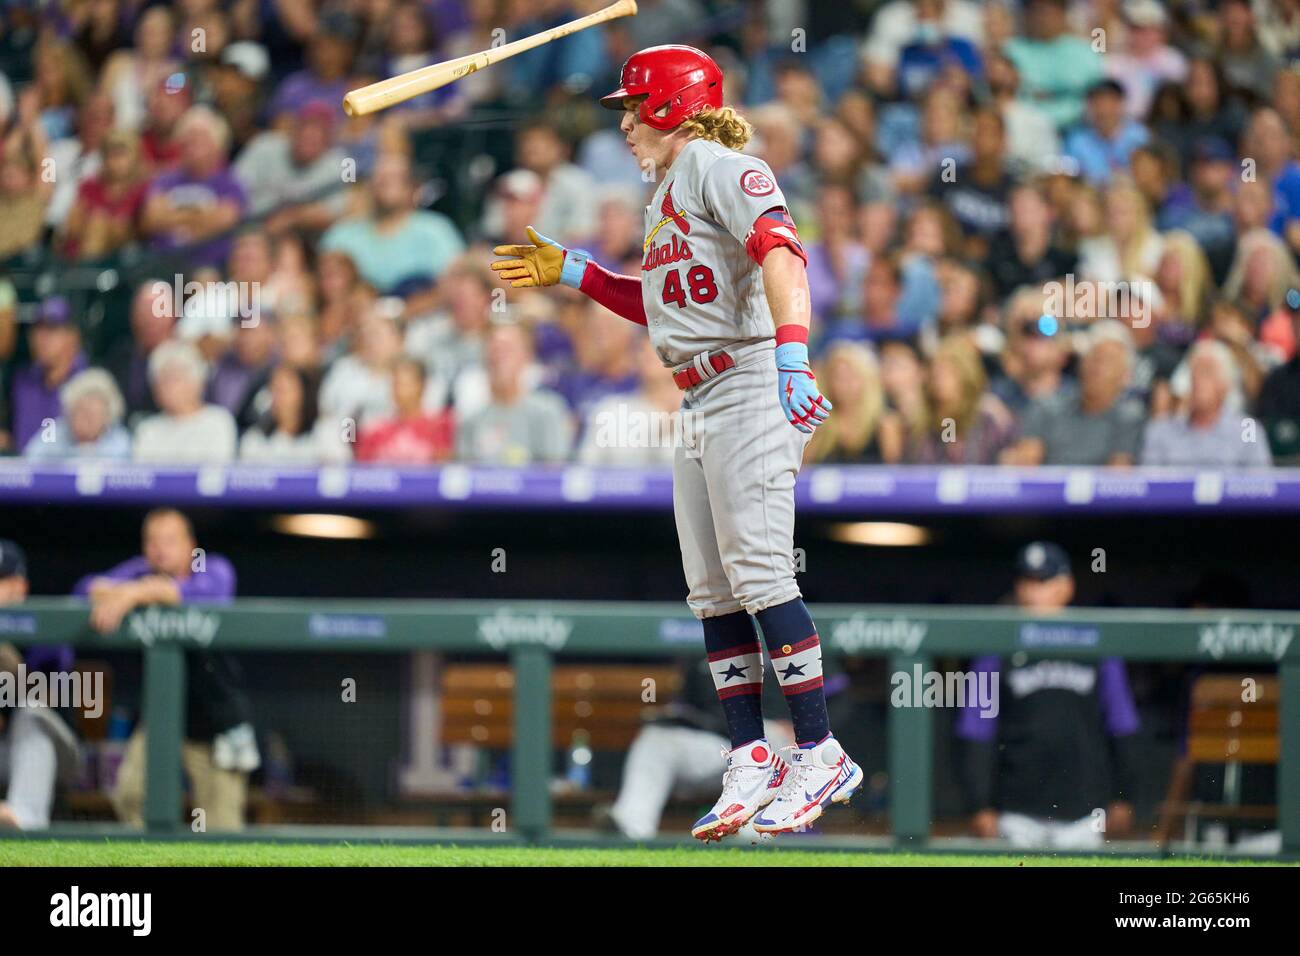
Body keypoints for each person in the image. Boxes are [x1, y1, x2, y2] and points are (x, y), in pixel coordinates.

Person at [490, 46, 862, 839]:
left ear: (671, 106)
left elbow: (782, 252)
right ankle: (752, 756)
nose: (624, 123)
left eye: (633, 106)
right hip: (698, 390)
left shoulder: (720, 166)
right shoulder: (668, 189)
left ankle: (821, 749)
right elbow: (667, 306)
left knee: (761, 571)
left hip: (753, 375)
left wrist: (794, 352)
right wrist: (580, 274)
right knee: (714, 590)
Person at [75, 509, 258, 831]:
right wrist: (136, 589)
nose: (161, 549)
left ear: (191, 545)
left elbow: (210, 593)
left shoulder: (211, 567)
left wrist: (135, 593)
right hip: (161, 719)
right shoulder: (140, 571)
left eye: (170, 541)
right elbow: (85, 588)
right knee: (131, 795)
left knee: (222, 827)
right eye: (153, 541)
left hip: (215, 723)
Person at [957, 542, 1140, 849]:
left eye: (1043, 581)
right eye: (1027, 582)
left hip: (1084, 812)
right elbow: (976, 729)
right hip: (1015, 812)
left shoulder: (1097, 644)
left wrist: (1124, 796)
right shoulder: (995, 647)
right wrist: (978, 803)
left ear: (1066, 587)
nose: (1033, 592)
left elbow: (1121, 724)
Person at [0, 541, 80, 831]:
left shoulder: (47, 631)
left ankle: (25, 819)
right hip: (5, 753)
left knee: (32, 715)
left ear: (19, 587)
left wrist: (11, 668)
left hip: (54, 751)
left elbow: (47, 700)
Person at [1142, 340, 1271, 467]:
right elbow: (1151, 484)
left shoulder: (1247, 430)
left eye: (1207, 372)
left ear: (1226, 384)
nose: (1198, 379)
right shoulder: (1160, 430)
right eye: (1194, 372)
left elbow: (1259, 484)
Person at [132, 339, 238, 463]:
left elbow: (216, 473)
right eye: (160, 380)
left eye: (174, 378)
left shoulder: (218, 422)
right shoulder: (147, 430)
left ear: (197, 382)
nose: (166, 387)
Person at [23, 367, 131, 460]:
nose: (85, 421)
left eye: (92, 415)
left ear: (107, 418)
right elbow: (29, 460)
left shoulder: (120, 440)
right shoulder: (54, 432)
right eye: (81, 411)